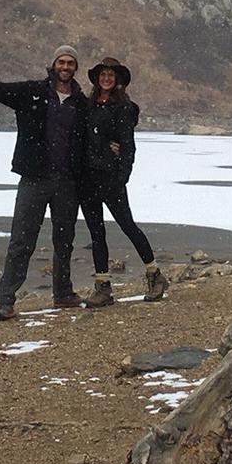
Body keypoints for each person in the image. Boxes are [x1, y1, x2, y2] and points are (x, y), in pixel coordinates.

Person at [0, 28, 88, 320]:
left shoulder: (81, 104)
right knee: (22, 240)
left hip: (67, 183)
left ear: (76, 68)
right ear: (54, 65)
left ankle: (62, 294)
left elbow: (100, 130)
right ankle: (6, 301)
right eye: (61, 62)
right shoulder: (31, 92)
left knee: (64, 240)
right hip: (34, 179)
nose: (65, 67)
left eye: (70, 63)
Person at [77, 56, 165, 306]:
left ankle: (154, 273)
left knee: (128, 226)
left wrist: (121, 177)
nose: (106, 78)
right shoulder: (89, 105)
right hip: (88, 178)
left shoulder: (123, 108)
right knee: (96, 233)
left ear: (117, 80)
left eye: (110, 75)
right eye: (102, 74)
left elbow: (128, 147)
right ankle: (103, 287)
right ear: (97, 79)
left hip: (110, 178)